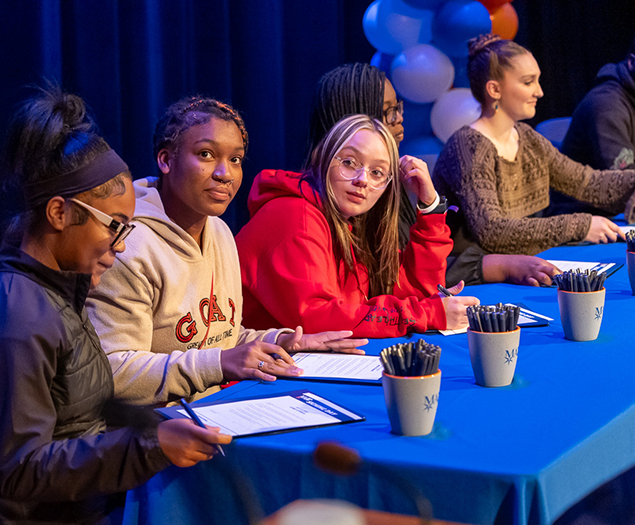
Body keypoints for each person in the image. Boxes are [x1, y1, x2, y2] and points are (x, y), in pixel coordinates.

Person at [0, 86, 228, 525]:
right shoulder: (13, 321)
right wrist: (149, 445)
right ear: (59, 214)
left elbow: (85, 412)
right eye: (115, 227)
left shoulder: (59, 294)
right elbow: (22, 469)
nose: (121, 246)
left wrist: (156, 428)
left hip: (81, 503)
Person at [86, 95, 366, 408]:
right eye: (206, 154)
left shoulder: (217, 230)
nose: (226, 174)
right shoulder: (129, 246)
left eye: (236, 159)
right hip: (149, 432)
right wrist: (218, 364)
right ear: (165, 160)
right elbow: (113, 372)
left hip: (213, 410)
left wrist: (284, 341)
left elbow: (220, 339)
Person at [310, 63, 560, 287]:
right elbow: (386, 284)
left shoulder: (384, 182)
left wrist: (430, 206)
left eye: (397, 108)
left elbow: (409, 272)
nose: (399, 120)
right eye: (387, 113)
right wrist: (500, 266)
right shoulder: (313, 213)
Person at [235, 114, 479, 338]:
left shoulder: (350, 222)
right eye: (349, 162)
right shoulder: (294, 216)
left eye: (377, 172)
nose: (362, 180)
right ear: (324, 158)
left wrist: (430, 207)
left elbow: (415, 290)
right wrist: (427, 313)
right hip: (252, 378)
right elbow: (316, 319)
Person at [432, 34, 635, 273]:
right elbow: (492, 232)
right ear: (494, 89)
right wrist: (581, 225)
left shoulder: (527, 138)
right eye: (528, 82)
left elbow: (587, 183)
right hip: (471, 278)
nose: (539, 92)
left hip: (523, 266)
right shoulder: (468, 146)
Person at [549, 40, 635, 216]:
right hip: (579, 218)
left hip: (615, 215)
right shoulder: (606, 105)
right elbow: (625, 180)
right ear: (632, 62)